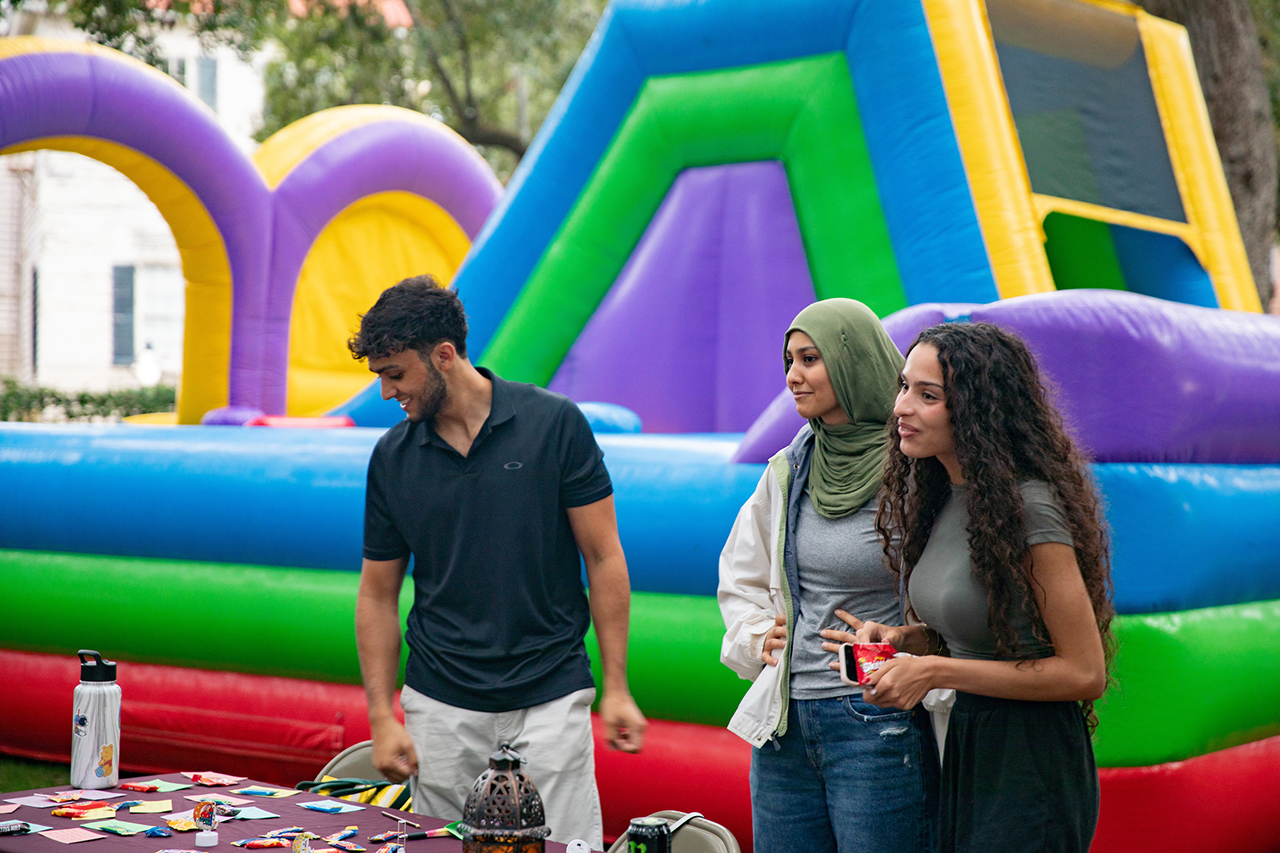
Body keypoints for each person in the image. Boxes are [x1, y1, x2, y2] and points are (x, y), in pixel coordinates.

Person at [347, 275, 646, 848]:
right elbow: (376, 596)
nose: (387, 392)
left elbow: (604, 557)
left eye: (395, 374)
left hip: (551, 692)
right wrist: (382, 718)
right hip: (440, 704)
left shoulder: (555, 424)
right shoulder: (391, 457)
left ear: (443, 356)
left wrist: (618, 686)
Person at [826, 322, 1114, 853]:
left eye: (927, 395)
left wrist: (935, 671)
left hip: (1030, 759)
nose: (901, 408)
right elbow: (987, 637)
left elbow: (1084, 671)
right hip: (968, 745)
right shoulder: (946, 494)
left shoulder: (1030, 508)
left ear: (977, 410)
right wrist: (908, 642)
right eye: (904, 387)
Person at [718, 298, 937, 853]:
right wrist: (753, 634)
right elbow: (740, 576)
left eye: (810, 359)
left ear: (853, 361)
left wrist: (907, 657)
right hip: (784, 724)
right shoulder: (790, 468)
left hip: (877, 720)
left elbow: (953, 596)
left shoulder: (917, 467)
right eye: (789, 360)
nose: (793, 376)